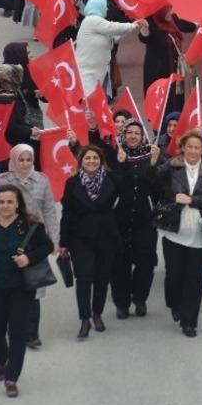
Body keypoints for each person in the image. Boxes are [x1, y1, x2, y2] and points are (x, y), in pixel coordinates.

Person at [0, 184, 54, 398]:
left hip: (21, 289)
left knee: (17, 334)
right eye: (1, 202)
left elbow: (47, 246)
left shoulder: (31, 226)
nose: (5, 206)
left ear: (18, 204)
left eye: (10, 202)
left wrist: (29, 258)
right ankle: (1, 359)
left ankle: (12, 378)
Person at [153, 129, 202, 338]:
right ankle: (174, 303)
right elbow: (155, 185)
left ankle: (190, 321)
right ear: (183, 148)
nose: (193, 151)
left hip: (199, 235)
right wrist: (154, 162)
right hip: (174, 231)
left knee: (193, 279)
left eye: (197, 147)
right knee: (174, 276)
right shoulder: (171, 167)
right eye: (189, 146)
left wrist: (192, 200)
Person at [0, 145, 58, 348]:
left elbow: (49, 210)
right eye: (21, 160)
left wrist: (54, 239)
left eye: (28, 160)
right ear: (13, 160)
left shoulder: (42, 180)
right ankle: (13, 330)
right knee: (12, 286)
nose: (25, 164)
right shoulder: (2, 179)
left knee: (34, 286)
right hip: (9, 237)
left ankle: (32, 333)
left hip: (34, 238)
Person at [59, 145, 121, 340]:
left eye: (95, 158)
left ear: (101, 160)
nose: (92, 161)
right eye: (87, 158)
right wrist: (64, 242)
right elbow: (66, 213)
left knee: (102, 278)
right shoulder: (72, 183)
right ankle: (85, 318)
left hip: (106, 236)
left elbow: (125, 198)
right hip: (81, 238)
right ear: (81, 161)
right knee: (84, 278)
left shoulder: (112, 179)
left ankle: (97, 314)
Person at [110, 121, 162, 320]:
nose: (132, 136)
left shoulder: (150, 156)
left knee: (145, 263)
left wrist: (153, 164)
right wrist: (121, 164)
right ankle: (122, 303)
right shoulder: (116, 156)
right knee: (119, 265)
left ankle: (140, 299)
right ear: (123, 135)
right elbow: (116, 185)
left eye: (137, 133)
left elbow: (156, 187)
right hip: (120, 220)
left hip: (144, 220)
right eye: (129, 133)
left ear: (142, 136)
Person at [76, 0, 148, 96]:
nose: (106, 9)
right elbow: (112, 27)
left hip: (98, 72)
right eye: (104, 6)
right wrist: (133, 25)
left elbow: (114, 36)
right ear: (98, 7)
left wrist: (131, 27)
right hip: (88, 73)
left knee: (97, 102)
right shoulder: (92, 20)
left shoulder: (97, 23)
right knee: (89, 103)